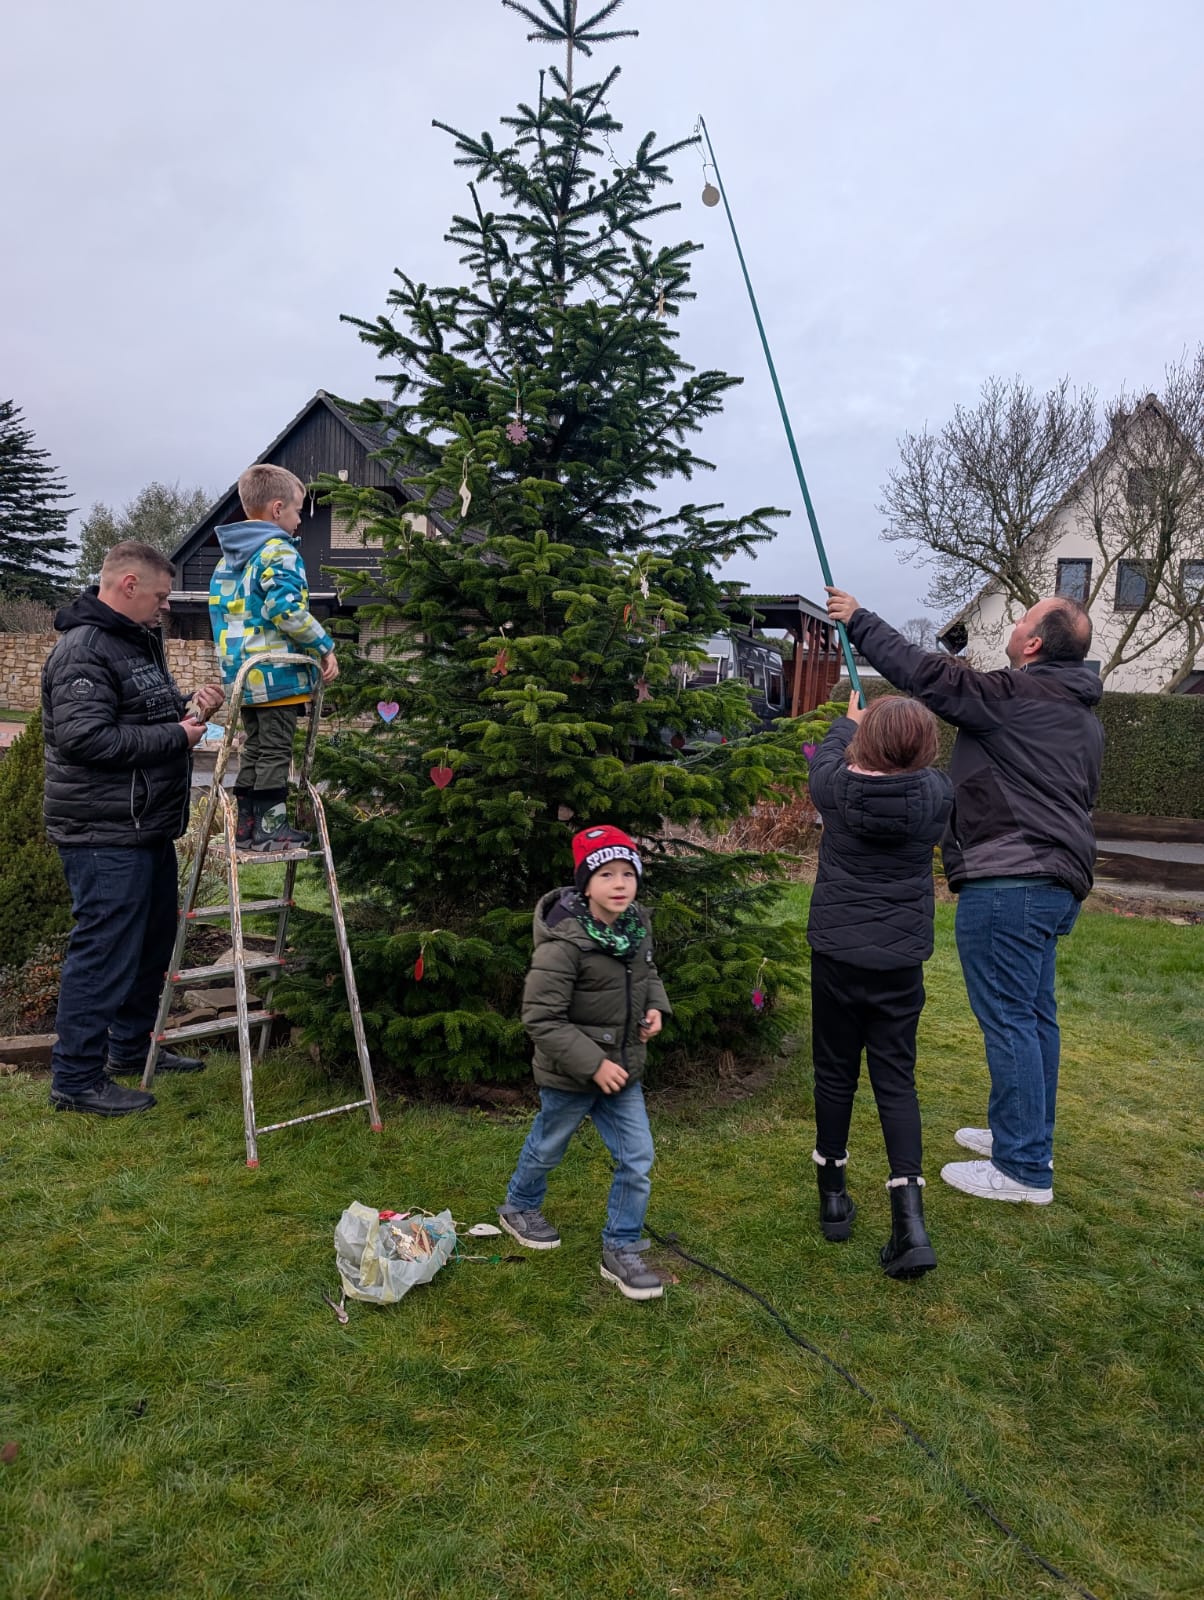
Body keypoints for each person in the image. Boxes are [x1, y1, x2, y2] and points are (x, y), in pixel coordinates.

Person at [825, 588, 1105, 1205]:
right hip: (1055, 884)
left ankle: (1024, 1169)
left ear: (1033, 644)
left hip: (1011, 883)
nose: (1016, 622)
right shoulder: (1080, 716)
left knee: (1010, 1020)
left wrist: (860, 620)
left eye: (1025, 618)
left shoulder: (1017, 696)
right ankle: (1025, 1136)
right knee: (1033, 1017)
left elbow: (929, 676)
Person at [42, 541, 225, 1115]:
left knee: (150, 946)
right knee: (103, 953)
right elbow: (85, 739)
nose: (165, 607)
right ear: (126, 584)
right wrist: (177, 738)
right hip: (102, 833)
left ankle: (128, 1048)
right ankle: (75, 1080)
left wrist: (190, 711)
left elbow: (145, 714)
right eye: (161, 596)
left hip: (144, 827)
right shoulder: (84, 650)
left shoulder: (135, 644)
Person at [807, 695, 953, 1277]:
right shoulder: (938, 796)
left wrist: (851, 718)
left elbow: (823, 758)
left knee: (834, 1072)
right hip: (899, 963)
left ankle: (833, 1199)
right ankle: (909, 1224)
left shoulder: (835, 790)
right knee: (896, 1078)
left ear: (862, 744)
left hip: (837, 956)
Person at [498, 826, 672, 1301]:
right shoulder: (564, 943)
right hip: (571, 1075)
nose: (620, 884)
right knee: (549, 1145)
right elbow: (540, 1018)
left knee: (637, 1159)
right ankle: (519, 1205)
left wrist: (655, 1007)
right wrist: (593, 1064)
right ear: (585, 885)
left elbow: (647, 973)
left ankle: (621, 1247)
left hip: (624, 1072)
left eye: (628, 874)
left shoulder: (635, 927)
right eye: (607, 874)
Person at [209, 464, 338, 851]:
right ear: (277, 509)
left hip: (242, 677)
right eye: (299, 511)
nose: (300, 521)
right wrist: (324, 645)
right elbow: (287, 611)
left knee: (255, 747)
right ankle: (271, 827)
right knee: (277, 749)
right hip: (276, 674)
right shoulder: (278, 551)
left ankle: (245, 827)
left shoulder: (227, 560)